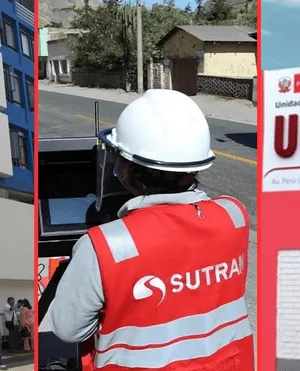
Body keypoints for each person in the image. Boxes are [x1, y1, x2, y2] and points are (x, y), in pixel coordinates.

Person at [49, 89, 254, 370]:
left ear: (128, 170)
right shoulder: (235, 216)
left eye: (117, 157)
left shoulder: (103, 247)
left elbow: (68, 329)